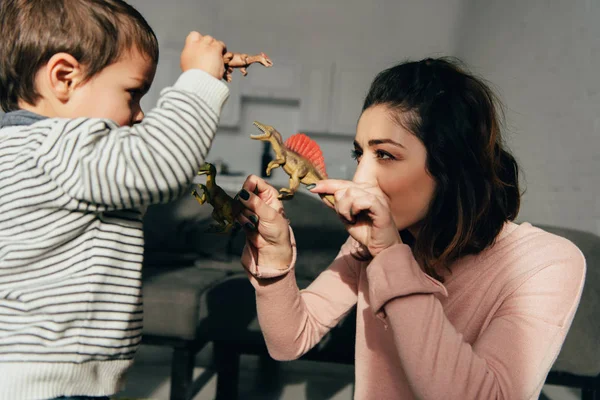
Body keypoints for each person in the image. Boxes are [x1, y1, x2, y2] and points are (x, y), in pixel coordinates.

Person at [233, 57, 586, 399]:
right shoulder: (370, 246)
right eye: (360, 155)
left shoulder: (546, 263)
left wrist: (389, 254)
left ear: (450, 164)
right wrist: (276, 263)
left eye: (385, 155)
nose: (360, 178)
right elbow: (289, 340)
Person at [0, 0, 231, 398]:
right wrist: (199, 80)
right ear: (64, 78)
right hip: (50, 382)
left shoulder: (24, 149)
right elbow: (162, 162)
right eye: (133, 93)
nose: (140, 115)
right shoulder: (60, 147)